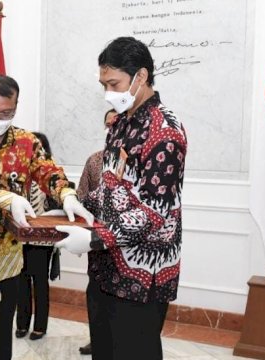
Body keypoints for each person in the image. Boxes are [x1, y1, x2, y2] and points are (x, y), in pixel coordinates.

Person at [0, 75, 93, 360]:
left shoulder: (27, 142)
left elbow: (48, 171)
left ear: (16, 106)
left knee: (1, 332)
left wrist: (67, 194)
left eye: (6, 113)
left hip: (6, 256)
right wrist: (5, 197)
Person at [55, 37, 188, 360]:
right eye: (104, 84)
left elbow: (152, 212)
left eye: (113, 84)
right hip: (105, 270)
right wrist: (74, 207)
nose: (108, 93)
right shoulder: (119, 125)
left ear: (140, 77)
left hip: (141, 277)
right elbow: (111, 185)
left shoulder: (165, 132)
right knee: (104, 351)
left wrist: (93, 239)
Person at [76, 108, 117, 356]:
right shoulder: (94, 161)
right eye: (108, 124)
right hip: (96, 242)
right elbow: (81, 196)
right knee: (96, 293)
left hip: (126, 245)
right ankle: (97, 338)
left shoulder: (137, 160)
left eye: (117, 123)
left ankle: (115, 341)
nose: (111, 128)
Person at [15, 131, 57, 341]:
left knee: (39, 282)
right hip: (20, 236)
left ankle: (40, 326)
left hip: (43, 239)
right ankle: (22, 323)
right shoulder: (19, 173)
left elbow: (56, 206)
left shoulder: (51, 175)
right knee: (21, 281)